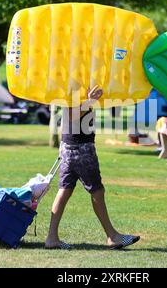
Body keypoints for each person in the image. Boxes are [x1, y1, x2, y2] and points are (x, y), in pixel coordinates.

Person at [45, 85, 140, 250]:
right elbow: (73, 114)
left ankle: (51, 238)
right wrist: (90, 100)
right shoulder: (73, 87)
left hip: (68, 146)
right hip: (80, 147)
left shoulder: (70, 83)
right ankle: (112, 236)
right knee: (97, 191)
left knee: (65, 190)